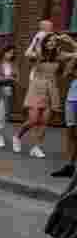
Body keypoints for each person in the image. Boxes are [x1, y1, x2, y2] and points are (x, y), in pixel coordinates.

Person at [15, 20, 58, 158]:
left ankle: (36, 147)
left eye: (51, 27)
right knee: (33, 120)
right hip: (36, 84)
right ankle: (18, 136)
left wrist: (67, 40)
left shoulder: (57, 53)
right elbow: (28, 54)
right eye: (47, 27)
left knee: (44, 121)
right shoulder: (39, 44)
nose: (49, 29)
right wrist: (37, 41)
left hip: (50, 88)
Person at [46, 34, 77, 177]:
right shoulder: (66, 56)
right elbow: (66, 73)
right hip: (72, 96)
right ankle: (69, 166)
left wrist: (70, 41)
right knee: (70, 133)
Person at [0, 43, 16, 149]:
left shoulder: (13, 64)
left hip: (9, 91)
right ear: (3, 52)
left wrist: (8, 78)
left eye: (12, 53)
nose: (10, 54)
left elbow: (17, 77)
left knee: (5, 114)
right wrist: (10, 78)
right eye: (8, 52)